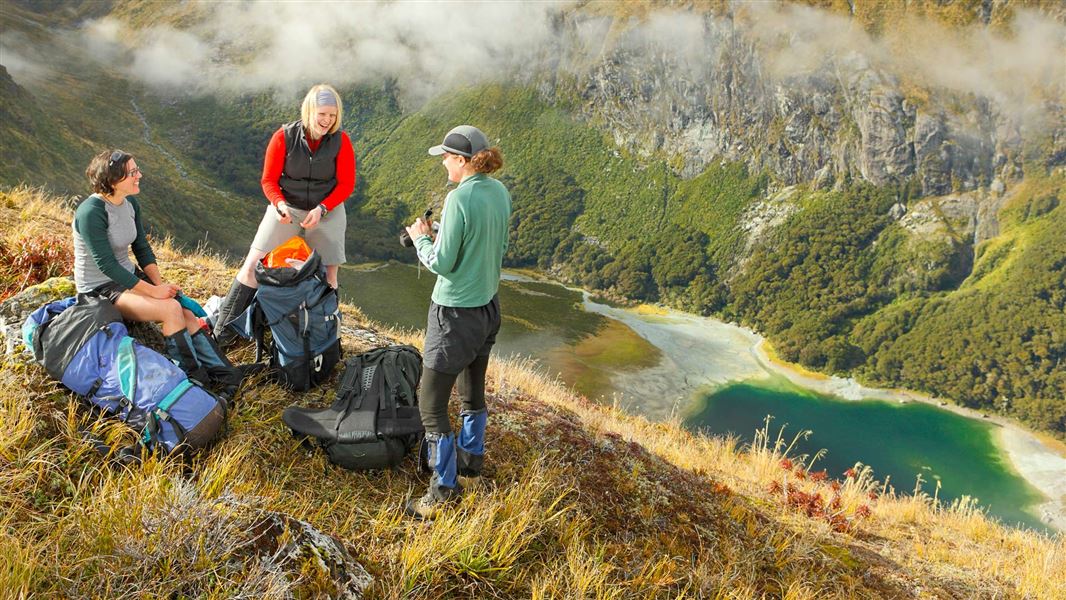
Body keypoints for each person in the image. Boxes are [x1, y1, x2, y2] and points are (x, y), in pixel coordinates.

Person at [403, 125, 511, 519]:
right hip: (487, 309)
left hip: (453, 315)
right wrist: (442, 232)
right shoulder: (498, 192)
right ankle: (471, 466)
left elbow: (442, 264)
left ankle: (443, 491)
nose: (444, 163)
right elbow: (495, 245)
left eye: (447, 157)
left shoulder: (459, 198)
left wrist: (421, 239)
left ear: (463, 161)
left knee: (430, 403)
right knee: (471, 391)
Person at [74, 150, 242, 400]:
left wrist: (161, 285)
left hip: (127, 275)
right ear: (113, 179)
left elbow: (141, 247)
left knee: (183, 310)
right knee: (170, 311)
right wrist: (153, 292)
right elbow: (106, 264)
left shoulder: (130, 203)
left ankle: (224, 373)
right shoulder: (91, 212)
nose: (139, 175)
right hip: (100, 288)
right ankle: (194, 382)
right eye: (132, 173)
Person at [212, 84, 355, 343]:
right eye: (322, 114)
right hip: (287, 207)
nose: (327, 121)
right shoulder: (284, 137)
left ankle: (325, 337)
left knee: (329, 275)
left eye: (333, 116)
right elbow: (268, 180)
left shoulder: (341, 141)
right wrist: (278, 204)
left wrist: (322, 209)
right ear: (310, 110)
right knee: (252, 267)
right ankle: (222, 332)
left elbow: (346, 184)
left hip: (327, 209)